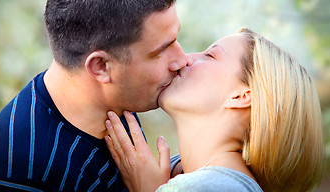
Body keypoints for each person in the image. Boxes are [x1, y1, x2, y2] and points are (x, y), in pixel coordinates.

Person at [0, 0, 187, 191]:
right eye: (159, 52)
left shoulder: (113, 98)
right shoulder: (18, 177)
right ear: (101, 67)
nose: (182, 60)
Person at [105, 28, 325, 192]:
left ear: (241, 96)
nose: (184, 59)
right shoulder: (196, 178)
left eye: (210, 55)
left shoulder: (216, 187)